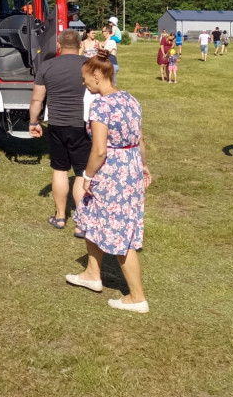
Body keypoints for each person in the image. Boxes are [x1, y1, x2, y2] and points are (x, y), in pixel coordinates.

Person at [64, 53, 152, 313]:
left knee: (120, 232)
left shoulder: (101, 106)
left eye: (84, 79)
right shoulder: (130, 99)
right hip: (131, 166)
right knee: (91, 216)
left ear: (97, 75)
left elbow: (99, 150)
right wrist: (143, 164)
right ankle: (92, 273)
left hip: (111, 172)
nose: (83, 84)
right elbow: (140, 138)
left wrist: (88, 176)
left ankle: (137, 297)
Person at [29, 29, 89, 235]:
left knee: (60, 170)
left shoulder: (47, 66)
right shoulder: (89, 65)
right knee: (82, 173)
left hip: (57, 124)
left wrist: (33, 122)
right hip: (83, 125)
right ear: (80, 45)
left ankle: (61, 216)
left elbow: (37, 99)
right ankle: (82, 224)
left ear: (59, 46)